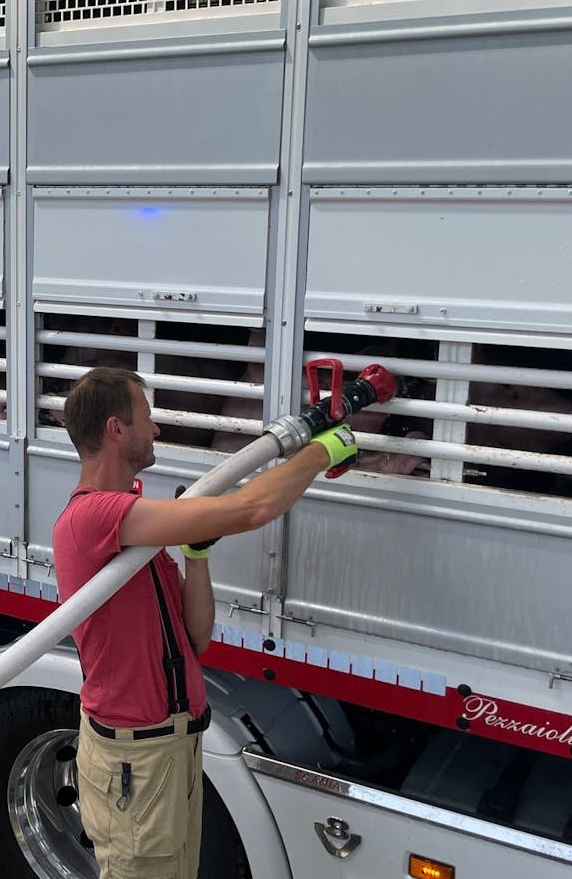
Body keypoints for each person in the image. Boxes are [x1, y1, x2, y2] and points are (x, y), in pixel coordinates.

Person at [54, 368, 356, 878]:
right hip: (137, 762)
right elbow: (252, 508)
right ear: (116, 429)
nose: (156, 431)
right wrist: (323, 450)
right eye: (147, 420)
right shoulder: (94, 518)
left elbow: (196, 639)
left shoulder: (134, 528)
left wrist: (197, 557)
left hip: (171, 747)